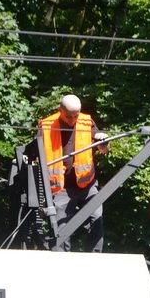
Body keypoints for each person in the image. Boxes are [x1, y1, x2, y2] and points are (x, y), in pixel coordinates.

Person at [38, 94, 110, 252]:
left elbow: (104, 149)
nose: (72, 119)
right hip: (61, 188)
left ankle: (93, 260)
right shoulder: (46, 125)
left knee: (97, 219)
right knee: (60, 230)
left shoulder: (86, 122)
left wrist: (103, 141)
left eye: (75, 116)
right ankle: (63, 263)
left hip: (87, 186)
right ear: (60, 110)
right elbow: (35, 150)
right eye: (68, 116)